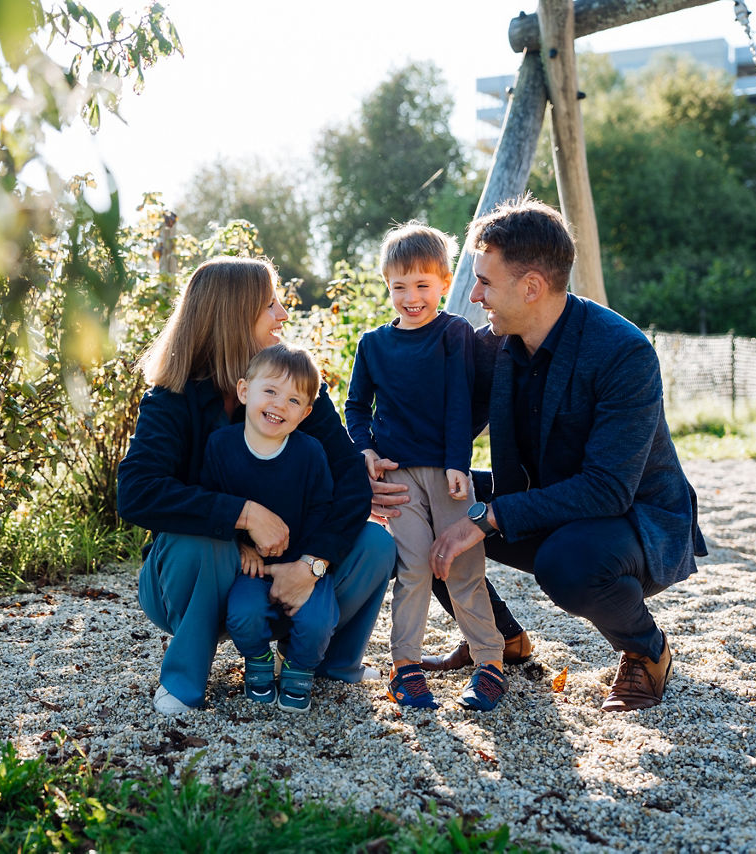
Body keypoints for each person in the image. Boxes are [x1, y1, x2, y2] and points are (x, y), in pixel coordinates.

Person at [372, 195, 707, 713]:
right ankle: (501, 640)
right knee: (421, 500)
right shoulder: (492, 346)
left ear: (531, 287)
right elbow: (436, 430)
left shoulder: (624, 353)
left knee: (566, 563)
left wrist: (487, 519)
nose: (475, 295)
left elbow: (608, 488)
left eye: (485, 282)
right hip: (536, 497)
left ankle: (646, 651)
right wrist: (369, 459)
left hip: (632, 520)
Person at [117, 256, 395, 715]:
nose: (284, 314)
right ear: (233, 315)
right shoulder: (173, 397)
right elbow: (138, 491)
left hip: (291, 568)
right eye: (271, 304)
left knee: (376, 543)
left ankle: (332, 661)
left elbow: (349, 476)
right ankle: (186, 679)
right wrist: (243, 515)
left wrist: (312, 564)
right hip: (193, 580)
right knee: (200, 541)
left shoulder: (293, 387)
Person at [344, 222, 505, 712]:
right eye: (399, 287)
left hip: (448, 472)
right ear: (387, 286)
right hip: (397, 477)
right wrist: (364, 450)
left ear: (442, 282)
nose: (411, 297)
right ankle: (405, 667)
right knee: (412, 569)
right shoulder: (373, 344)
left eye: (422, 286)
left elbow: (461, 401)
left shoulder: (453, 333)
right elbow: (355, 407)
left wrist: (460, 461)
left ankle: (490, 665)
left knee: (463, 568)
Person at [201, 343, 339, 713]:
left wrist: (306, 564)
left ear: (306, 413)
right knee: (242, 613)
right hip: (252, 566)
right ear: (245, 391)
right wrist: (239, 546)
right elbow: (212, 504)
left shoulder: (310, 453)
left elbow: (324, 508)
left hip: (303, 565)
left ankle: (299, 667)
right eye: (271, 391)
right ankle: (258, 659)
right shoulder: (220, 446)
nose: (279, 405)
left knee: (317, 621)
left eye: (294, 401)